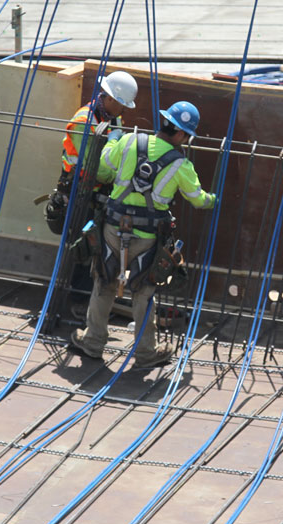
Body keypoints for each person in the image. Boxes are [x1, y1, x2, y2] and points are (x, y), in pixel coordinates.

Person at [69, 101, 216, 370]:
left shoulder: (128, 142)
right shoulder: (180, 164)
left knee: (104, 281)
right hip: (147, 237)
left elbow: (104, 164)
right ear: (183, 135)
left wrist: (113, 140)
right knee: (144, 292)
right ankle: (146, 353)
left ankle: (92, 342)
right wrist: (213, 200)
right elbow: (198, 200)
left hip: (112, 228)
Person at [45, 70, 138, 235]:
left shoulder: (112, 119)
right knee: (80, 250)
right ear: (110, 98)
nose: (124, 110)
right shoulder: (83, 123)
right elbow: (95, 168)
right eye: (122, 105)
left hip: (98, 195)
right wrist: (122, 178)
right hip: (79, 195)